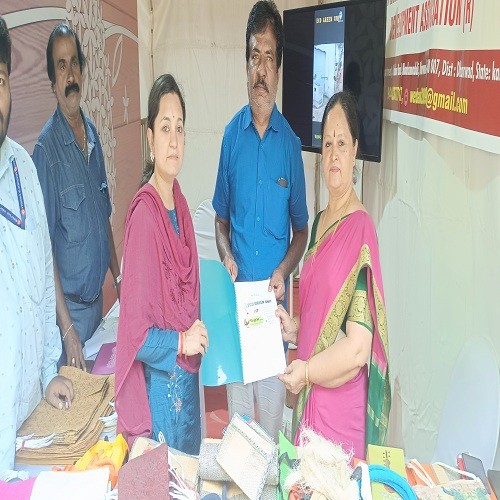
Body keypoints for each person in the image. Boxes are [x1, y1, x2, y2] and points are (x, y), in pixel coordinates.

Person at [212, 0, 309, 443]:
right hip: (236, 316)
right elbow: (220, 220)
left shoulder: (290, 144)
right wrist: (227, 255)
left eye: (269, 57)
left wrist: (282, 270)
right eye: (254, 56)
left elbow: (302, 229)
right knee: (238, 434)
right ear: (245, 61)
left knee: (268, 437)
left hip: (271, 319)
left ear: (279, 68)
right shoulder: (230, 137)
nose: (261, 69)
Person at [276, 91, 391, 459]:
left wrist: (307, 372)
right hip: (311, 400)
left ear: (355, 150)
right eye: (327, 143)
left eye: (342, 143)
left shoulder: (360, 232)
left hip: (338, 419)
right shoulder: (322, 221)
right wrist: (295, 327)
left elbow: (358, 349)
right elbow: (322, 309)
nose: (334, 153)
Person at [115, 74, 208, 454]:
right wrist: (184, 340)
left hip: (185, 388)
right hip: (158, 403)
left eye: (180, 129)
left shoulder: (180, 205)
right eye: (165, 128)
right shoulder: (145, 216)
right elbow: (137, 335)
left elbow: (185, 298)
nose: (174, 140)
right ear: (150, 139)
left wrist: (192, 336)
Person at [0, 16, 73, 472]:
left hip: (29, 431)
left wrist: (49, 372)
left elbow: (43, 278)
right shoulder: (45, 149)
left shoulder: (23, 167)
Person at [32, 23, 121, 371]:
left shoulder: (93, 135)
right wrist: (67, 330)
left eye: (74, 63)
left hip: (98, 306)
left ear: (83, 70)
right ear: (53, 81)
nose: (70, 75)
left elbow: (104, 217)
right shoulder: (46, 152)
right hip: (68, 318)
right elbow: (45, 252)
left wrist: (119, 279)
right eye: (61, 66)